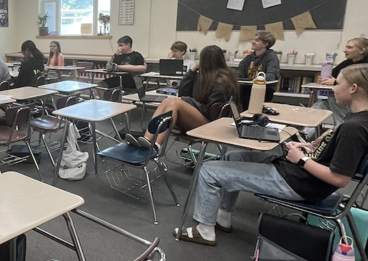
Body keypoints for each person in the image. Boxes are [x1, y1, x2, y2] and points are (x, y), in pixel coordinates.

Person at [179, 64, 368, 245]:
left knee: (209, 170)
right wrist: (309, 146)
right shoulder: (358, 118)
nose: (333, 88)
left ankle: (204, 231)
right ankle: (223, 217)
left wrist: (300, 160)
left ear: (353, 88)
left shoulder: (354, 129)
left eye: (337, 83)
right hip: (299, 174)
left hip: (299, 183)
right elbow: (334, 153)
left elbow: (340, 179)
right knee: (233, 156)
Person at [129, 45, 239, 148]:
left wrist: (187, 101)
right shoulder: (204, 77)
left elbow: (212, 113)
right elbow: (183, 93)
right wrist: (191, 72)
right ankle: (146, 140)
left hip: (212, 124)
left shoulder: (222, 82)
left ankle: (156, 145)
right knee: (169, 101)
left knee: (175, 103)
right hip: (202, 117)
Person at [318, 36, 368, 125]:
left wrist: (335, 82)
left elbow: (360, 83)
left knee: (333, 99)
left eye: (349, 47)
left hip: (358, 101)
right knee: (319, 107)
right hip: (346, 98)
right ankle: (305, 134)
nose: (345, 50)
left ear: (361, 50)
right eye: (346, 47)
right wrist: (325, 78)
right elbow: (333, 74)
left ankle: (341, 126)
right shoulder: (348, 62)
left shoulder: (365, 66)